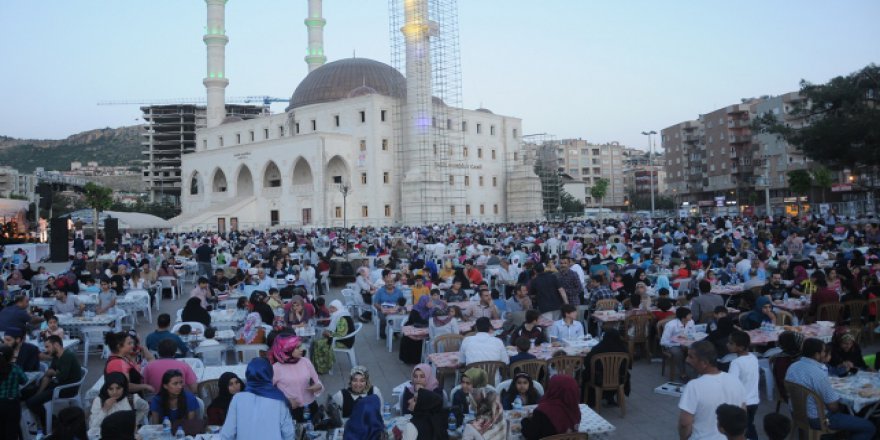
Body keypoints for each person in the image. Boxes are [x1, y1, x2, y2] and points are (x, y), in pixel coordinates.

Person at [785, 337, 875, 440]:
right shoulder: (818, 373)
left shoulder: (792, 367)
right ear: (816, 354)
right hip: (818, 419)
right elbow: (833, 407)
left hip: (797, 413)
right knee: (869, 427)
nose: (825, 354)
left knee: (846, 412)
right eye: (823, 351)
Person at [677, 340, 746, 440]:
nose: (687, 360)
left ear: (704, 363)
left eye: (691, 357)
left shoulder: (694, 386)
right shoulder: (735, 381)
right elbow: (743, 413)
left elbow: (685, 423)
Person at [220, 357, 295, 440]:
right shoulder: (279, 399)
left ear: (248, 374)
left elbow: (227, 434)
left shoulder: (237, 399)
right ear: (270, 374)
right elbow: (288, 434)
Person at [26, 335, 83, 430]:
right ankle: (45, 420)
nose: (46, 350)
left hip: (67, 388)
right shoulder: (56, 356)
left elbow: (62, 377)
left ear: (56, 345)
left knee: (31, 402)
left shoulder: (67, 356)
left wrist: (53, 373)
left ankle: (52, 422)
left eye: (47, 346)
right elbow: (48, 375)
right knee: (27, 393)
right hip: (57, 384)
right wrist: (39, 391)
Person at [269, 334, 324, 422]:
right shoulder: (276, 368)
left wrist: (319, 386)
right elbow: (268, 391)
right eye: (297, 347)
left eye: (300, 346)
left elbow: (317, 381)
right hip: (290, 411)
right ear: (287, 349)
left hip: (310, 407)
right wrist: (286, 401)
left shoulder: (306, 362)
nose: (302, 349)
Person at [520, 374, 581, 440]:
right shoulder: (574, 409)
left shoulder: (543, 411)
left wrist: (525, 420)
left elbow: (530, 435)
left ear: (553, 389)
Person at [582, 328, 630, 406]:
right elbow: (629, 365)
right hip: (619, 378)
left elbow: (587, 362)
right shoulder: (623, 349)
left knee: (585, 373)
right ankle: (610, 397)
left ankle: (589, 400)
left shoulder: (598, 348)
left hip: (599, 379)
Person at [726, 331, 760, 440]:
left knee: (742, 430)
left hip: (742, 403)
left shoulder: (736, 363)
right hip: (754, 401)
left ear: (740, 347)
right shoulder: (753, 358)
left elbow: (732, 385)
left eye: (731, 343)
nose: (727, 344)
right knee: (749, 425)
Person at [312, 299, 355, 374]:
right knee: (317, 341)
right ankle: (319, 365)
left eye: (333, 308)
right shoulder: (339, 314)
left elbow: (341, 334)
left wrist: (328, 334)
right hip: (343, 338)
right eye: (330, 307)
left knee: (318, 343)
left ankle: (322, 367)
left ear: (338, 308)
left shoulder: (342, 317)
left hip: (344, 341)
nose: (330, 310)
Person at [660, 307, 696, 382]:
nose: (691, 316)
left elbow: (693, 334)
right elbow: (663, 341)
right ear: (683, 317)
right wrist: (678, 343)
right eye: (689, 314)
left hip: (686, 343)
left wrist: (690, 340)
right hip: (672, 344)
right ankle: (683, 374)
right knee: (677, 353)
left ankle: (696, 373)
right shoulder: (671, 325)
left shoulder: (691, 322)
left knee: (696, 350)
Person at [0, 345, 28, 439]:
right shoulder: (15, 368)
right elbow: (24, 380)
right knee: (12, 430)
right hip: (12, 403)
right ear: (11, 357)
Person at [400, 295, 434, 364]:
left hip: (424, 328)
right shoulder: (415, 310)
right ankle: (411, 360)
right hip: (412, 328)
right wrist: (429, 321)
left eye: (431, 301)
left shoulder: (430, 309)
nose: (431, 303)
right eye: (429, 302)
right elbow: (418, 322)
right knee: (413, 340)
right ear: (424, 302)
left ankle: (424, 358)